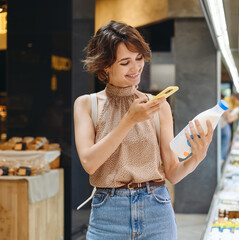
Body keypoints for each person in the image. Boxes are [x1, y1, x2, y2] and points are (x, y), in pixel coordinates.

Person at [73, 20, 215, 240]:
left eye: (139, 58)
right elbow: (89, 163)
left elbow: (172, 174)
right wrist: (129, 120)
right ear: (105, 66)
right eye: (125, 62)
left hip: (156, 210)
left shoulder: (159, 106)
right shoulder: (86, 104)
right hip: (108, 214)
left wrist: (196, 157)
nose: (136, 67)